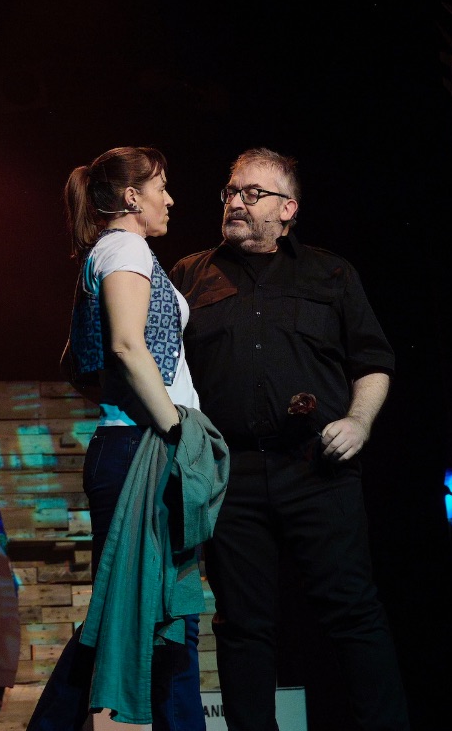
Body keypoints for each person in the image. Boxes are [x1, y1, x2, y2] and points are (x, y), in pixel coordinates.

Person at [168, 147, 410, 731]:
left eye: (253, 193)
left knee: (353, 613)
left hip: (317, 467)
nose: (236, 202)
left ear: (287, 209)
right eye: (231, 191)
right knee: (242, 626)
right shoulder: (189, 276)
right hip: (231, 476)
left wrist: (359, 422)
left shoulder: (330, 273)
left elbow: (373, 361)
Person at [28, 146, 229, 730]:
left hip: (135, 444)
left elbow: (77, 364)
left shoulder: (112, 252)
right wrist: (174, 428)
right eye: (161, 187)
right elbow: (123, 345)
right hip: (145, 446)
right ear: (132, 197)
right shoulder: (126, 248)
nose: (170, 199)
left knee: (163, 619)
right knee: (137, 617)